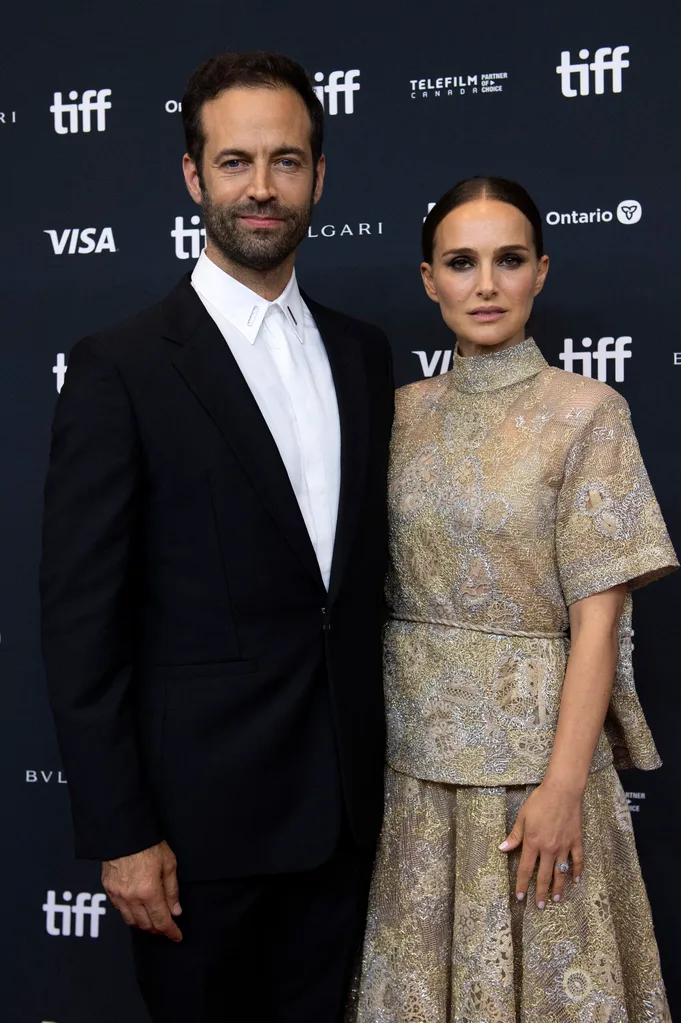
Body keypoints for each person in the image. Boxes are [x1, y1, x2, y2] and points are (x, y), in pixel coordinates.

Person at [40, 51, 394, 1023]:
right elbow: (81, 624)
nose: (262, 187)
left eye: (286, 161)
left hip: (348, 822)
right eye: (234, 162)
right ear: (194, 177)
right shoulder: (119, 368)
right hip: (197, 843)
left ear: (319, 177)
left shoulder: (365, 354)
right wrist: (122, 832)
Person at [351, 177, 677, 1022]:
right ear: (430, 280)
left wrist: (564, 785)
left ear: (541, 272)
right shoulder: (396, 416)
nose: (486, 284)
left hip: (537, 777)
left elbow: (598, 619)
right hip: (414, 780)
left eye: (509, 260)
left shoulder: (589, 412)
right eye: (462, 263)